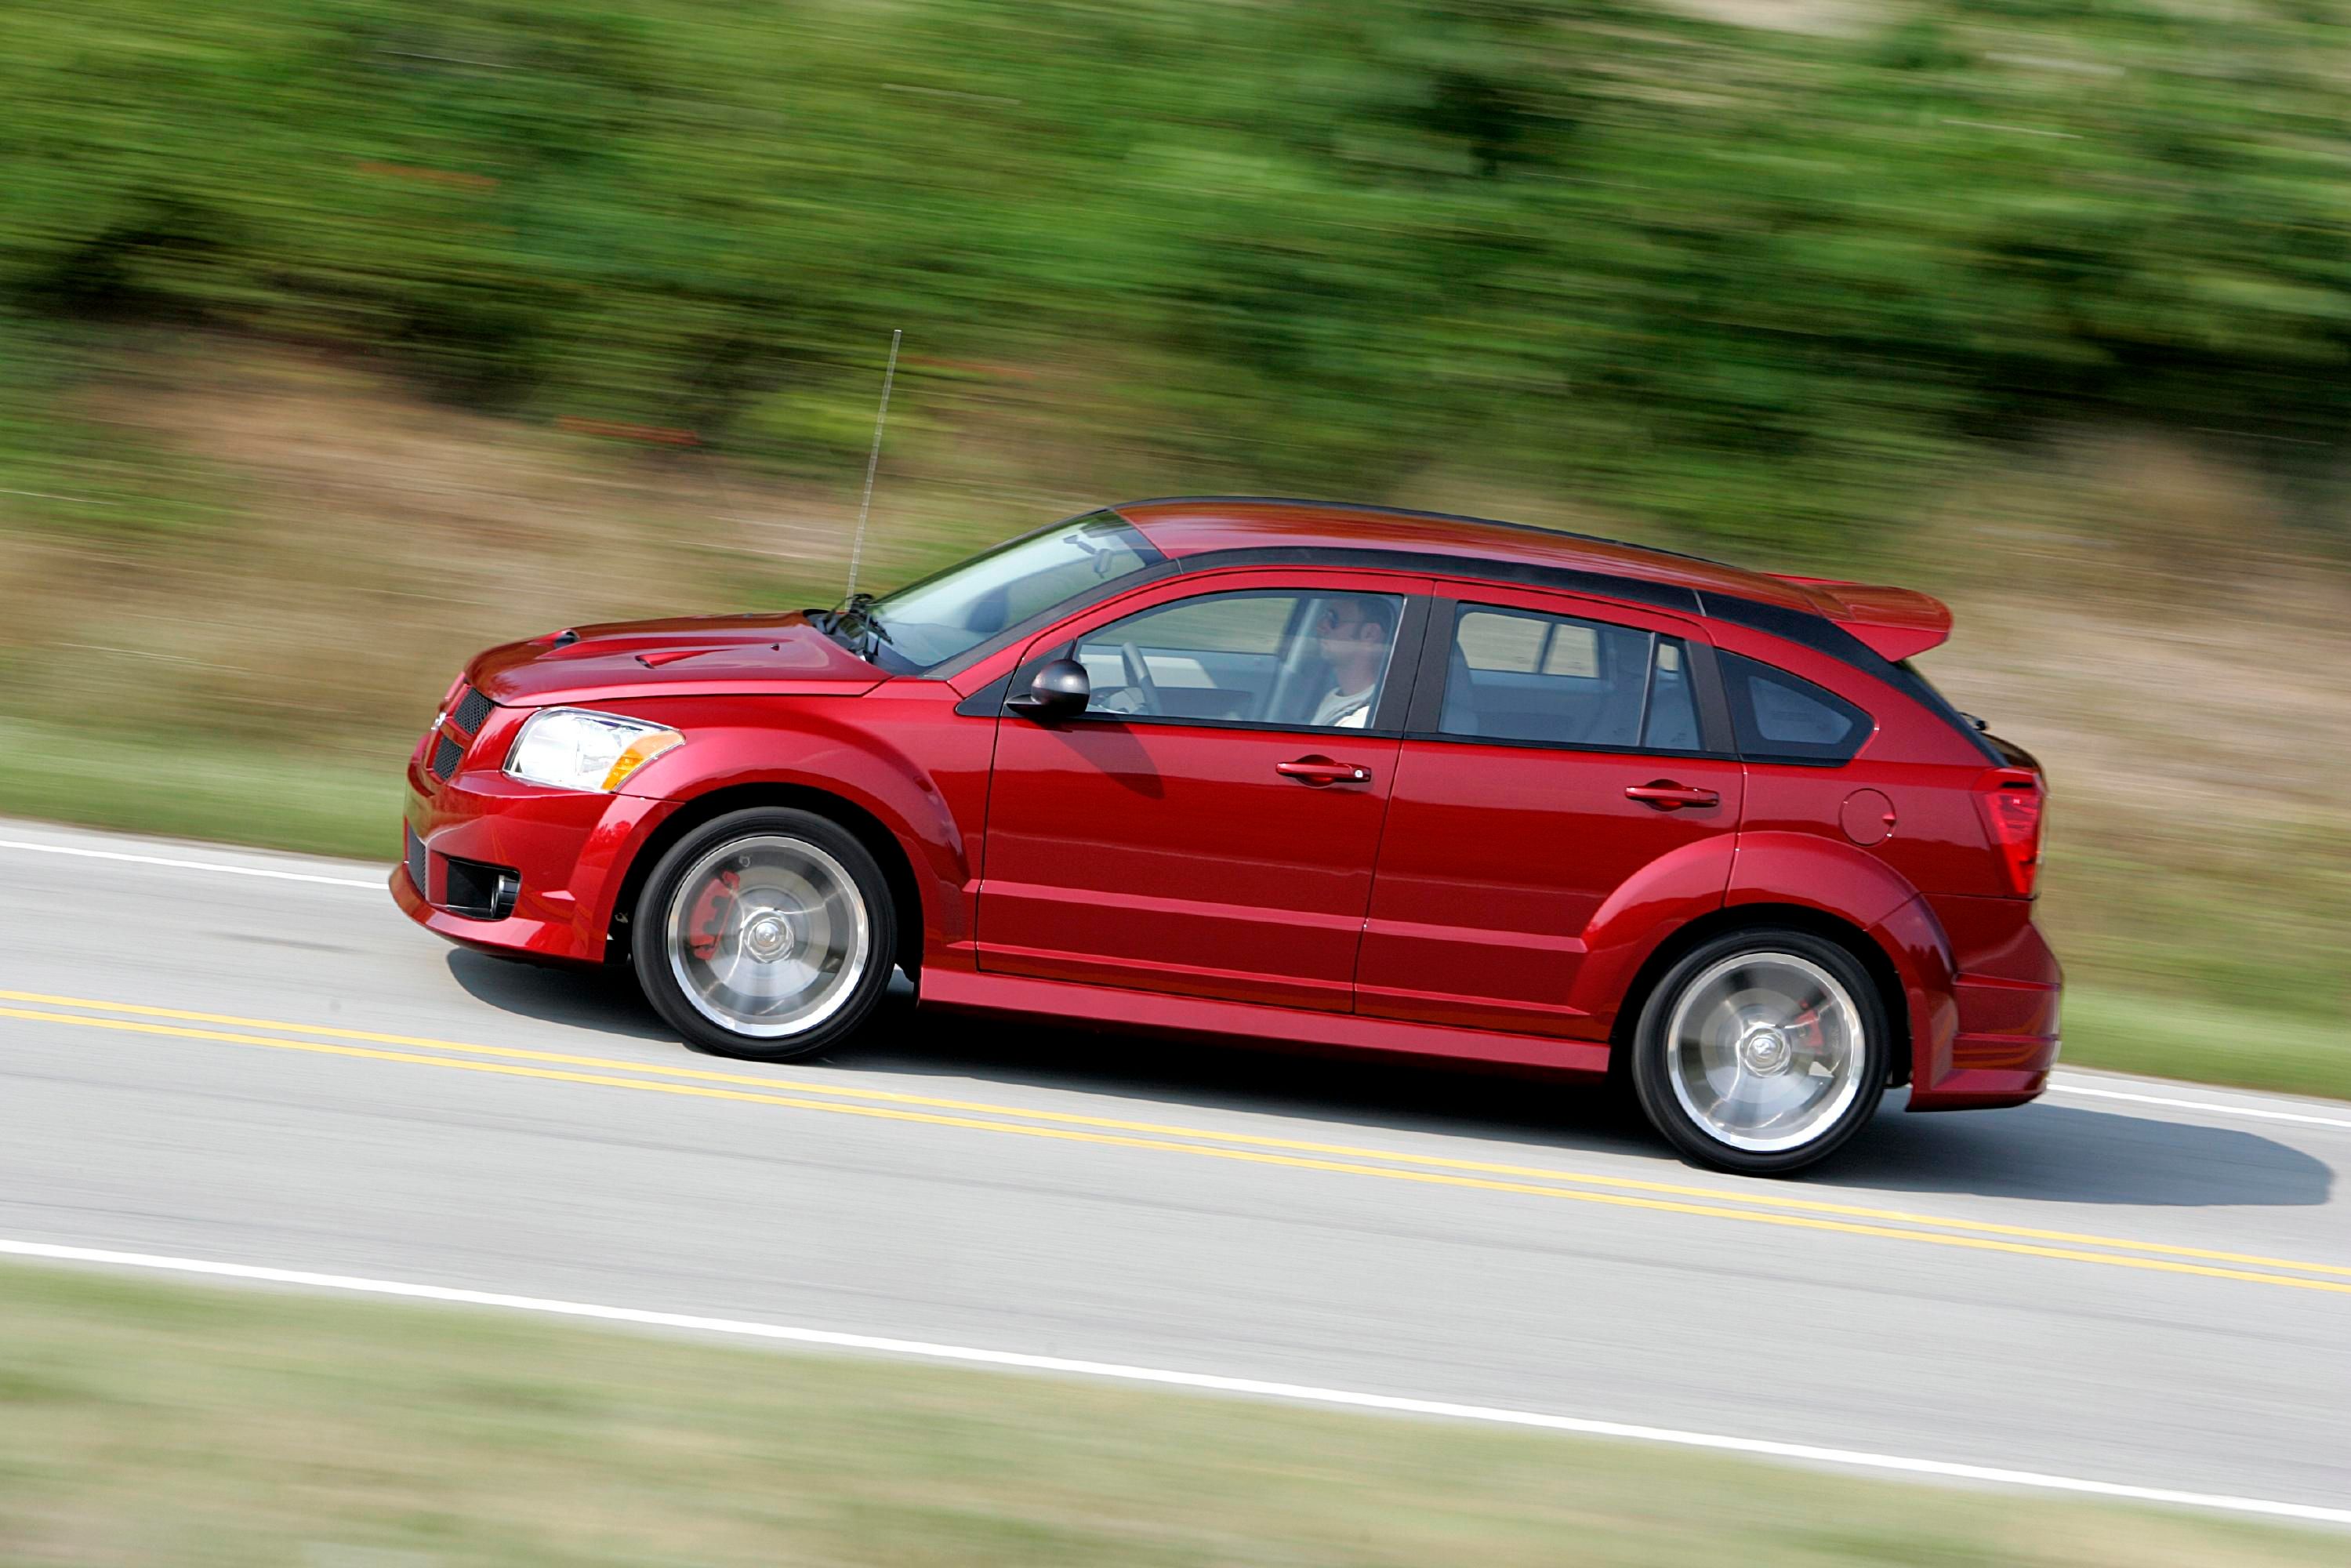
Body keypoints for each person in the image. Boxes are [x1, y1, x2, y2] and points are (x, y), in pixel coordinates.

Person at [1308, 595, 1395, 728]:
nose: (1320, 627)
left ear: (1369, 634)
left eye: (1333, 619)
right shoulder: (1336, 696)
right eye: (1324, 616)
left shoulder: (1363, 719)